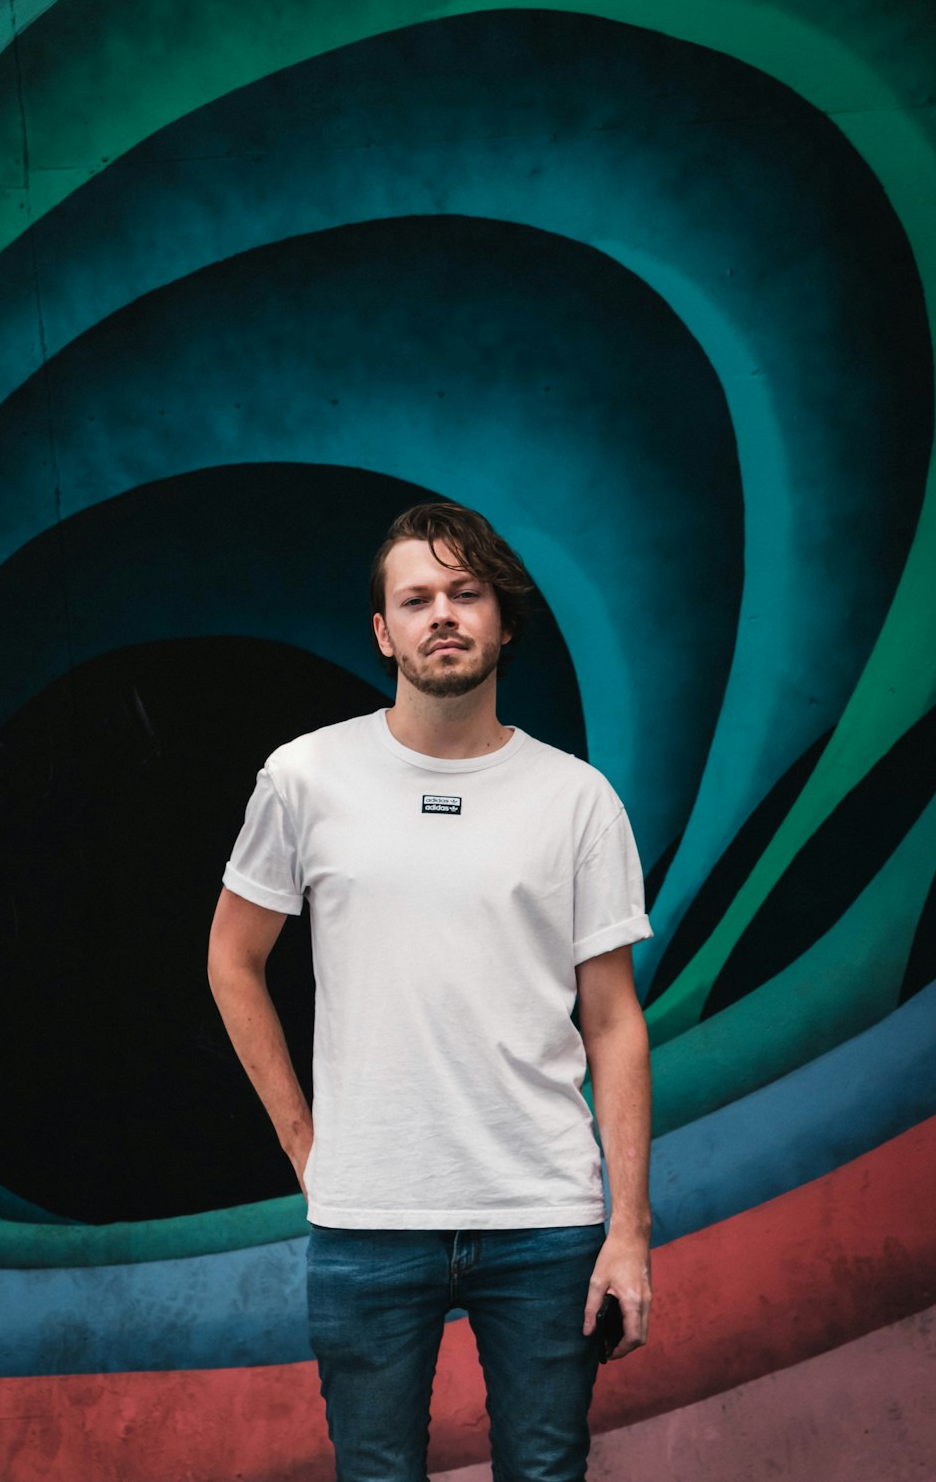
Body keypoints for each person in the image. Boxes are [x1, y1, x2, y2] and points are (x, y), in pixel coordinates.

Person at [207, 501, 654, 1482]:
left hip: (544, 1215)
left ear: (501, 620)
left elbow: (615, 1021)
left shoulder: (574, 798)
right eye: (415, 599)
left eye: (465, 593)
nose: (441, 614)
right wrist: (303, 1145)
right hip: (367, 1217)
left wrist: (628, 1231)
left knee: (546, 1473)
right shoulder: (306, 777)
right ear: (382, 630)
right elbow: (232, 960)